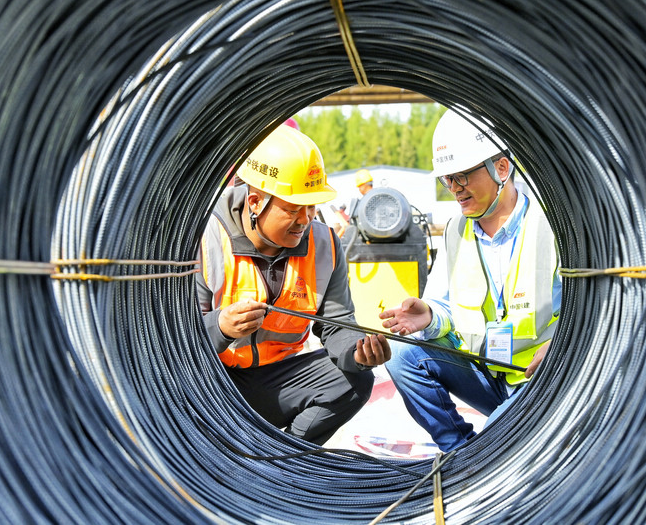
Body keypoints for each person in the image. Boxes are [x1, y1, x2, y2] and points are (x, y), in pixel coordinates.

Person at [379, 109, 561, 452]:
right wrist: (431, 315)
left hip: (542, 379)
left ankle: (485, 451)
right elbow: (448, 308)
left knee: (496, 444)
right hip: (485, 373)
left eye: (461, 177)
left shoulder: (552, 225)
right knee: (402, 354)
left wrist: (568, 344)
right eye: (446, 180)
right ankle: (459, 452)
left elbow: (597, 306)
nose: (454, 190)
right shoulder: (455, 231)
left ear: (501, 168)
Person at [197, 125, 391, 445]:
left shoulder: (324, 245)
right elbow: (173, 345)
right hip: (211, 387)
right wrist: (220, 327)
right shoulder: (206, 238)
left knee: (353, 381)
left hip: (275, 384)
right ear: (256, 202)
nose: (305, 219)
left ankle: (288, 460)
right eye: (292, 208)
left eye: (312, 206)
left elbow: (338, 325)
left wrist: (358, 354)